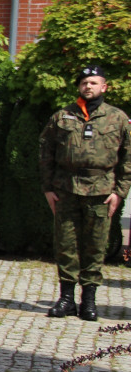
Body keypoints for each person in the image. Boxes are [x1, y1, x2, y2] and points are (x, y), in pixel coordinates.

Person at [39, 65, 131, 321]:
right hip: (66, 190)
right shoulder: (62, 117)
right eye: (84, 83)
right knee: (66, 246)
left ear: (104, 87)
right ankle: (66, 299)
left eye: (93, 82)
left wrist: (120, 192)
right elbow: (46, 154)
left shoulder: (118, 118)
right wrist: (48, 189)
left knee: (95, 246)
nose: (88, 86)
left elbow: (127, 159)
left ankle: (88, 300)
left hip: (101, 191)